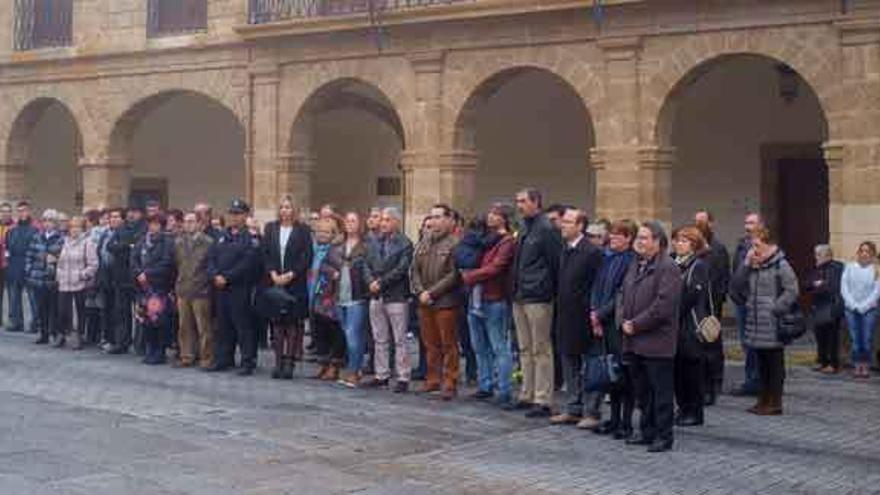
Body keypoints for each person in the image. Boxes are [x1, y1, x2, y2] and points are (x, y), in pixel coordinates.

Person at [620, 221, 681, 453]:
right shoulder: (636, 264)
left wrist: (636, 324)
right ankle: (646, 432)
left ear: (658, 241)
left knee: (661, 393)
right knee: (643, 392)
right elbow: (624, 294)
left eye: (645, 238)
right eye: (639, 238)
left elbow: (663, 307)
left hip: (657, 341)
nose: (640, 242)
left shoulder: (668, 267)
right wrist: (624, 321)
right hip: (634, 341)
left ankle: (663, 436)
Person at [730, 227, 798, 415]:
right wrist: (745, 264)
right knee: (761, 363)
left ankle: (775, 402)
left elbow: (792, 289)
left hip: (773, 323)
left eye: (757, 245)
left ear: (769, 245)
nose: (754, 249)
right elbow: (735, 285)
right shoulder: (752, 264)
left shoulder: (780, 264)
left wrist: (776, 308)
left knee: (774, 364)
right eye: (752, 245)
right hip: (755, 322)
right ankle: (763, 400)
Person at [549, 208, 603, 429]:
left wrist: (595, 314)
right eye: (563, 221)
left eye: (568, 222)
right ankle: (573, 408)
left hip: (585, 317)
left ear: (580, 226)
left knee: (590, 365)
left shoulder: (591, 252)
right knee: (569, 363)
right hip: (565, 315)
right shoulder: (565, 249)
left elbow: (597, 287)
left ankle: (591, 411)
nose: (563, 225)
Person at [512, 188, 562, 418]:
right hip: (520, 294)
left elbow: (554, 263)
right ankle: (527, 393)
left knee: (541, 348)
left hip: (538, 295)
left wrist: (547, 289)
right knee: (524, 348)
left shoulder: (547, 229)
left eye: (523, 201)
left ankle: (543, 398)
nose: (519, 205)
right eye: (517, 201)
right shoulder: (524, 227)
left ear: (536, 202)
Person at [462, 204, 516, 407]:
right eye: (490, 212)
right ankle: (485, 385)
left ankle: (504, 389)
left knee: (499, 346)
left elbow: (496, 267)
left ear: (504, 218)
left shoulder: (507, 241)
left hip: (494, 298)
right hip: (476, 297)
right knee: (480, 346)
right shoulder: (485, 238)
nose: (490, 216)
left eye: (495, 214)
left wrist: (469, 276)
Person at [592, 219, 638, 439]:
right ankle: (614, 418)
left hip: (618, 324)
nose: (613, 238)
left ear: (629, 238)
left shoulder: (631, 261)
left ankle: (626, 422)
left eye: (619, 235)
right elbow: (597, 287)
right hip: (603, 322)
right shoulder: (607, 258)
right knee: (611, 374)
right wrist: (594, 313)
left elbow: (621, 294)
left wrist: (600, 314)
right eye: (612, 234)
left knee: (623, 375)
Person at [411, 204, 461, 400]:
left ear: (449, 220)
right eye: (432, 217)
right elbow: (414, 270)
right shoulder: (424, 241)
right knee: (430, 343)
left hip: (445, 301)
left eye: (439, 217)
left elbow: (453, 274)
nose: (433, 221)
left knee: (448, 343)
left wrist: (432, 292)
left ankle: (450, 381)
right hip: (424, 301)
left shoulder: (455, 243)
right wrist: (420, 291)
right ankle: (432, 379)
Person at [206, 199, 260, 375]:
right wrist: (215, 275)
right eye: (232, 213)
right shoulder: (221, 236)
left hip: (239, 288)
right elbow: (211, 258)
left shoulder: (249, 238)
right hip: (220, 288)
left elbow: (247, 263)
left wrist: (227, 277)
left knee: (242, 326)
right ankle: (223, 358)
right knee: (223, 325)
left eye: (238, 214)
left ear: (245, 215)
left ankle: (247, 361)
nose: (234, 217)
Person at [363, 207, 413, 391]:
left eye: (387, 220)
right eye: (382, 219)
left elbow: (401, 269)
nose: (383, 223)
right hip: (376, 295)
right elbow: (365, 265)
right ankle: (381, 374)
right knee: (379, 338)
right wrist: (371, 282)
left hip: (396, 295)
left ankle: (403, 377)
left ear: (396, 222)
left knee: (399, 339)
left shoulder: (405, 243)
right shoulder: (373, 242)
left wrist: (381, 282)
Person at [262, 196, 312, 380]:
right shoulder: (270, 228)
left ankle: (289, 362)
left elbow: (306, 256)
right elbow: (265, 253)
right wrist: (273, 273)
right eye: (282, 207)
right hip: (275, 281)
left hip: (294, 283)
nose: (285, 211)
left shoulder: (303, 230)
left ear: (294, 210)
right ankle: (278, 362)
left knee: (291, 323)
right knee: (277, 324)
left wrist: (291, 274)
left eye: (288, 207)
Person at [671, 226, 711, 427]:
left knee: (691, 370)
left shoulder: (698, 265)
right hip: (674, 326)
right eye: (677, 240)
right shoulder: (672, 263)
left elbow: (692, 295)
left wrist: (672, 311)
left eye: (685, 241)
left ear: (694, 245)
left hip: (690, 324)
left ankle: (694, 411)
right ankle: (682, 407)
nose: (679, 244)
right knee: (677, 369)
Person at [694, 210, 729, 405]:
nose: (699, 226)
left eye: (702, 222)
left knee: (712, 345)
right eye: (696, 222)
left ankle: (714, 384)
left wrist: (716, 304)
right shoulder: (694, 248)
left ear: (711, 224)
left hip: (711, 304)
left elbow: (722, 278)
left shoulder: (718, 248)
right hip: (696, 304)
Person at [131, 213, 175, 365]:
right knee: (146, 320)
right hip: (143, 287)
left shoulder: (167, 242)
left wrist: (147, 273)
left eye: (156, 224)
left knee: (159, 321)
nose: (152, 226)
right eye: (150, 223)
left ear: (161, 226)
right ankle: (149, 349)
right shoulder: (142, 241)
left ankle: (159, 351)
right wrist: (138, 273)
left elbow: (167, 263)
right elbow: (134, 258)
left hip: (158, 286)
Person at [174, 212, 215, 369]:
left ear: (199, 223)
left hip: (201, 290)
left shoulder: (208, 242)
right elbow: (177, 265)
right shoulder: (178, 242)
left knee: (203, 327)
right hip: (183, 288)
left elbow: (209, 266)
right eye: (185, 222)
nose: (188, 224)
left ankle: (206, 357)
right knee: (184, 326)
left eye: (191, 221)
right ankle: (186, 356)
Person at [730, 212, 764, 396]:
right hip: (742, 301)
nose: (747, 226)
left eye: (751, 223)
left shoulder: (767, 246)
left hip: (758, 303)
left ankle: (757, 380)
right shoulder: (742, 245)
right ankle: (751, 378)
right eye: (746, 222)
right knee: (746, 342)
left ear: (760, 225)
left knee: (757, 342)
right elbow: (736, 271)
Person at [309, 217, 347, 381]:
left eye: (326, 232)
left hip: (332, 295)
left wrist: (330, 272)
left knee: (335, 330)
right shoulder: (315, 249)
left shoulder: (338, 248)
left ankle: (334, 365)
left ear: (333, 233)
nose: (322, 235)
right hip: (317, 293)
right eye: (319, 231)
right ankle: (324, 365)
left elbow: (342, 268)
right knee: (319, 331)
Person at [336, 212, 370, 387]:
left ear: (360, 224)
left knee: (353, 335)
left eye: (353, 221)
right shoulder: (339, 244)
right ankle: (351, 367)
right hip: (340, 294)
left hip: (357, 295)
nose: (349, 224)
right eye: (347, 220)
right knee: (346, 333)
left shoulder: (365, 246)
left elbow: (367, 268)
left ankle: (355, 371)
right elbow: (328, 262)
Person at [56, 216, 99, 350]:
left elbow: (94, 264)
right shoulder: (65, 242)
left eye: (77, 227)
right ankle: (62, 334)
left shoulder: (87, 242)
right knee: (63, 311)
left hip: (79, 283)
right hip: (64, 283)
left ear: (82, 229)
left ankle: (78, 336)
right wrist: (59, 274)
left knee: (79, 312)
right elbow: (60, 262)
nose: (74, 230)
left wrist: (82, 275)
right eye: (72, 227)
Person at [840, 241, 880, 379]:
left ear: (872, 254)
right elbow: (844, 287)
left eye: (867, 251)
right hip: (851, 308)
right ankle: (857, 365)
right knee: (855, 338)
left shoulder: (876, 270)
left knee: (867, 338)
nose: (864, 254)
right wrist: (853, 304)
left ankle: (866, 365)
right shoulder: (850, 267)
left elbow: (876, 292)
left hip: (869, 309)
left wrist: (864, 306)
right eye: (861, 251)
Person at [26, 209, 65, 345]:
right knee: (41, 308)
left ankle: (54, 333)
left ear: (55, 223)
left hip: (52, 278)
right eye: (45, 220)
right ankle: (43, 334)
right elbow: (29, 255)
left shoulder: (61, 238)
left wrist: (55, 259)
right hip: (38, 278)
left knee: (53, 308)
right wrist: (29, 271)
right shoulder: (37, 236)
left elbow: (63, 257)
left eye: (50, 221)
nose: (47, 223)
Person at [804, 244, 844, 374]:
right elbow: (806, 284)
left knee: (832, 338)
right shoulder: (816, 268)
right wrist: (815, 284)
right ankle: (822, 361)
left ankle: (833, 364)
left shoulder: (837, 267)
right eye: (816, 254)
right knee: (820, 336)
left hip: (832, 307)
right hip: (818, 307)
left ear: (828, 255)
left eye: (818, 255)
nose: (816, 257)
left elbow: (833, 286)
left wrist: (819, 284)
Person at [103, 208, 138, 355]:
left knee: (140, 313)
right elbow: (110, 246)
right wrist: (126, 246)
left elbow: (136, 247)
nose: (114, 220)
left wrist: (123, 246)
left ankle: (140, 344)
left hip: (134, 278)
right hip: (119, 279)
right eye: (112, 217)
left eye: (117, 217)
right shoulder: (118, 231)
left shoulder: (136, 230)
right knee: (121, 313)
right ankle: (122, 342)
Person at [5, 201, 37, 333]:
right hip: (14, 265)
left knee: (32, 297)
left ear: (29, 211)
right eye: (19, 211)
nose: (21, 213)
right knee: (14, 296)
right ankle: (16, 322)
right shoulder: (12, 231)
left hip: (29, 265)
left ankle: (36, 322)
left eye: (24, 210)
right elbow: (7, 249)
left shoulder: (35, 229)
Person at [0, 202, 13, 328]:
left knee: (11, 294)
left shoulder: (14, 227)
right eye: (3, 211)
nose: (5, 213)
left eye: (7, 211)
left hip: (9, 265)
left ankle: (12, 318)